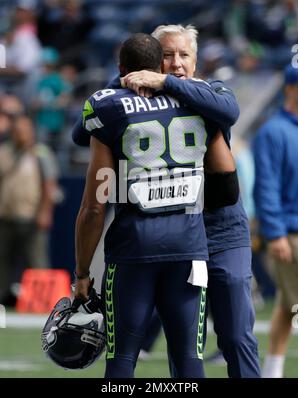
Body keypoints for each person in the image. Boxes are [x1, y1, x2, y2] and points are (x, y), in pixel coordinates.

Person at [73, 33, 239, 378]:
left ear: (123, 69)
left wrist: (82, 274)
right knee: (189, 359)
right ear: (161, 65)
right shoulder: (200, 102)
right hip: (189, 247)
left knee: (121, 360)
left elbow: (94, 206)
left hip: (133, 246)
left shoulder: (107, 106)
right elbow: (227, 182)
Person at [122, 24, 261, 378]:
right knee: (185, 344)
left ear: (196, 61)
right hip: (178, 232)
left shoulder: (210, 90)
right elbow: (85, 127)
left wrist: (166, 83)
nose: (177, 62)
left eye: (184, 55)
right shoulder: (137, 98)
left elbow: (229, 111)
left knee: (234, 334)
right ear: (154, 59)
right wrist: (125, 79)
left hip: (221, 227)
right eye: (167, 55)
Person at [253, 64, 298, 378]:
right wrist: (275, 233)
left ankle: (272, 371)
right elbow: (266, 187)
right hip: (292, 232)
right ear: (289, 88)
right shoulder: (273, 131)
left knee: (288, 304)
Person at [0, 115, 59, 304]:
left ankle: (43, 302)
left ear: (31, 132)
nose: (21, 134)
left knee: (37, 261)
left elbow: (50, 186)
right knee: (3, 262)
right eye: (18, 130)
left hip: (31, 217)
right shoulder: (4, 152)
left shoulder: (41, 153)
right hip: (6, 216)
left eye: (25, 130)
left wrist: (45, 212)